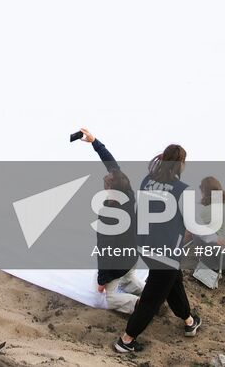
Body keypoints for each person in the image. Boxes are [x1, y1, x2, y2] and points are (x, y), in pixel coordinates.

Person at [113, 144, 200, 353]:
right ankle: (126, 340)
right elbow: (191, 225)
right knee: (153, 297)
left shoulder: (146, 181)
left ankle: (189, 321)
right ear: (181, 164)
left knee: (172, 281)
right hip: (167, 251)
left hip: (145, 245)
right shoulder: (183, 190)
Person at [76, 128, 142, 313]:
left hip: (118, 261)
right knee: (130, 280)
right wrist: (95, 142)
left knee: (111, 299)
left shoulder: (108, 214)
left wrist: (102, 280)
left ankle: (142, 305)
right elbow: (112, 164)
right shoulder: (128, 194)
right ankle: (151, 293)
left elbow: (105, 250)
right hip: (132, 255)